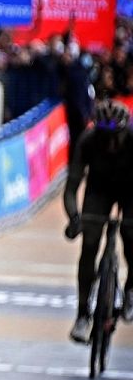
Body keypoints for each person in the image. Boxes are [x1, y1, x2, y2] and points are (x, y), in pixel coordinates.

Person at [63, 100, 133, 342]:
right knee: (89, 244)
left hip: (130, 190)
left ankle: (131, 289)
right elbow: (71, 187)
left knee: (131, 235)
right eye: (106, 137)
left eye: (116, 137)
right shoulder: (88, 140)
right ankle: (83, 315)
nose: (111, 144)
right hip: (99, 190)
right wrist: (74, 218)